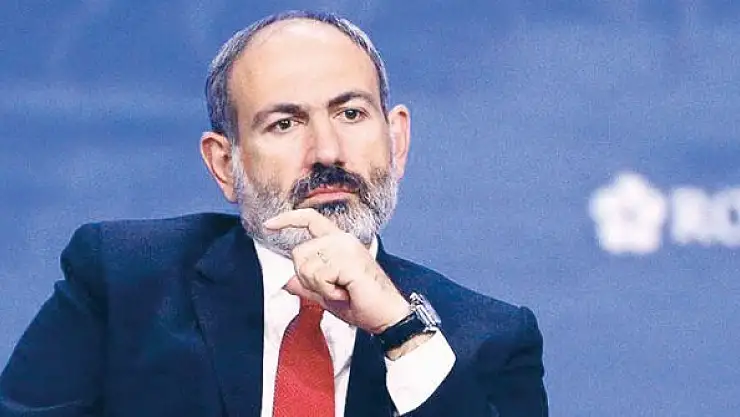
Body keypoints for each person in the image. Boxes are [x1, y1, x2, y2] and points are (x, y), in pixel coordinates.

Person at [0, 10, 547, 417]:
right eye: (284, 124)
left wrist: (400, 331)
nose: (327, 152)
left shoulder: (488, 340)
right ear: (224, 165)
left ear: (397, 140)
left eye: (351, 113)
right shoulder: (125, 283)